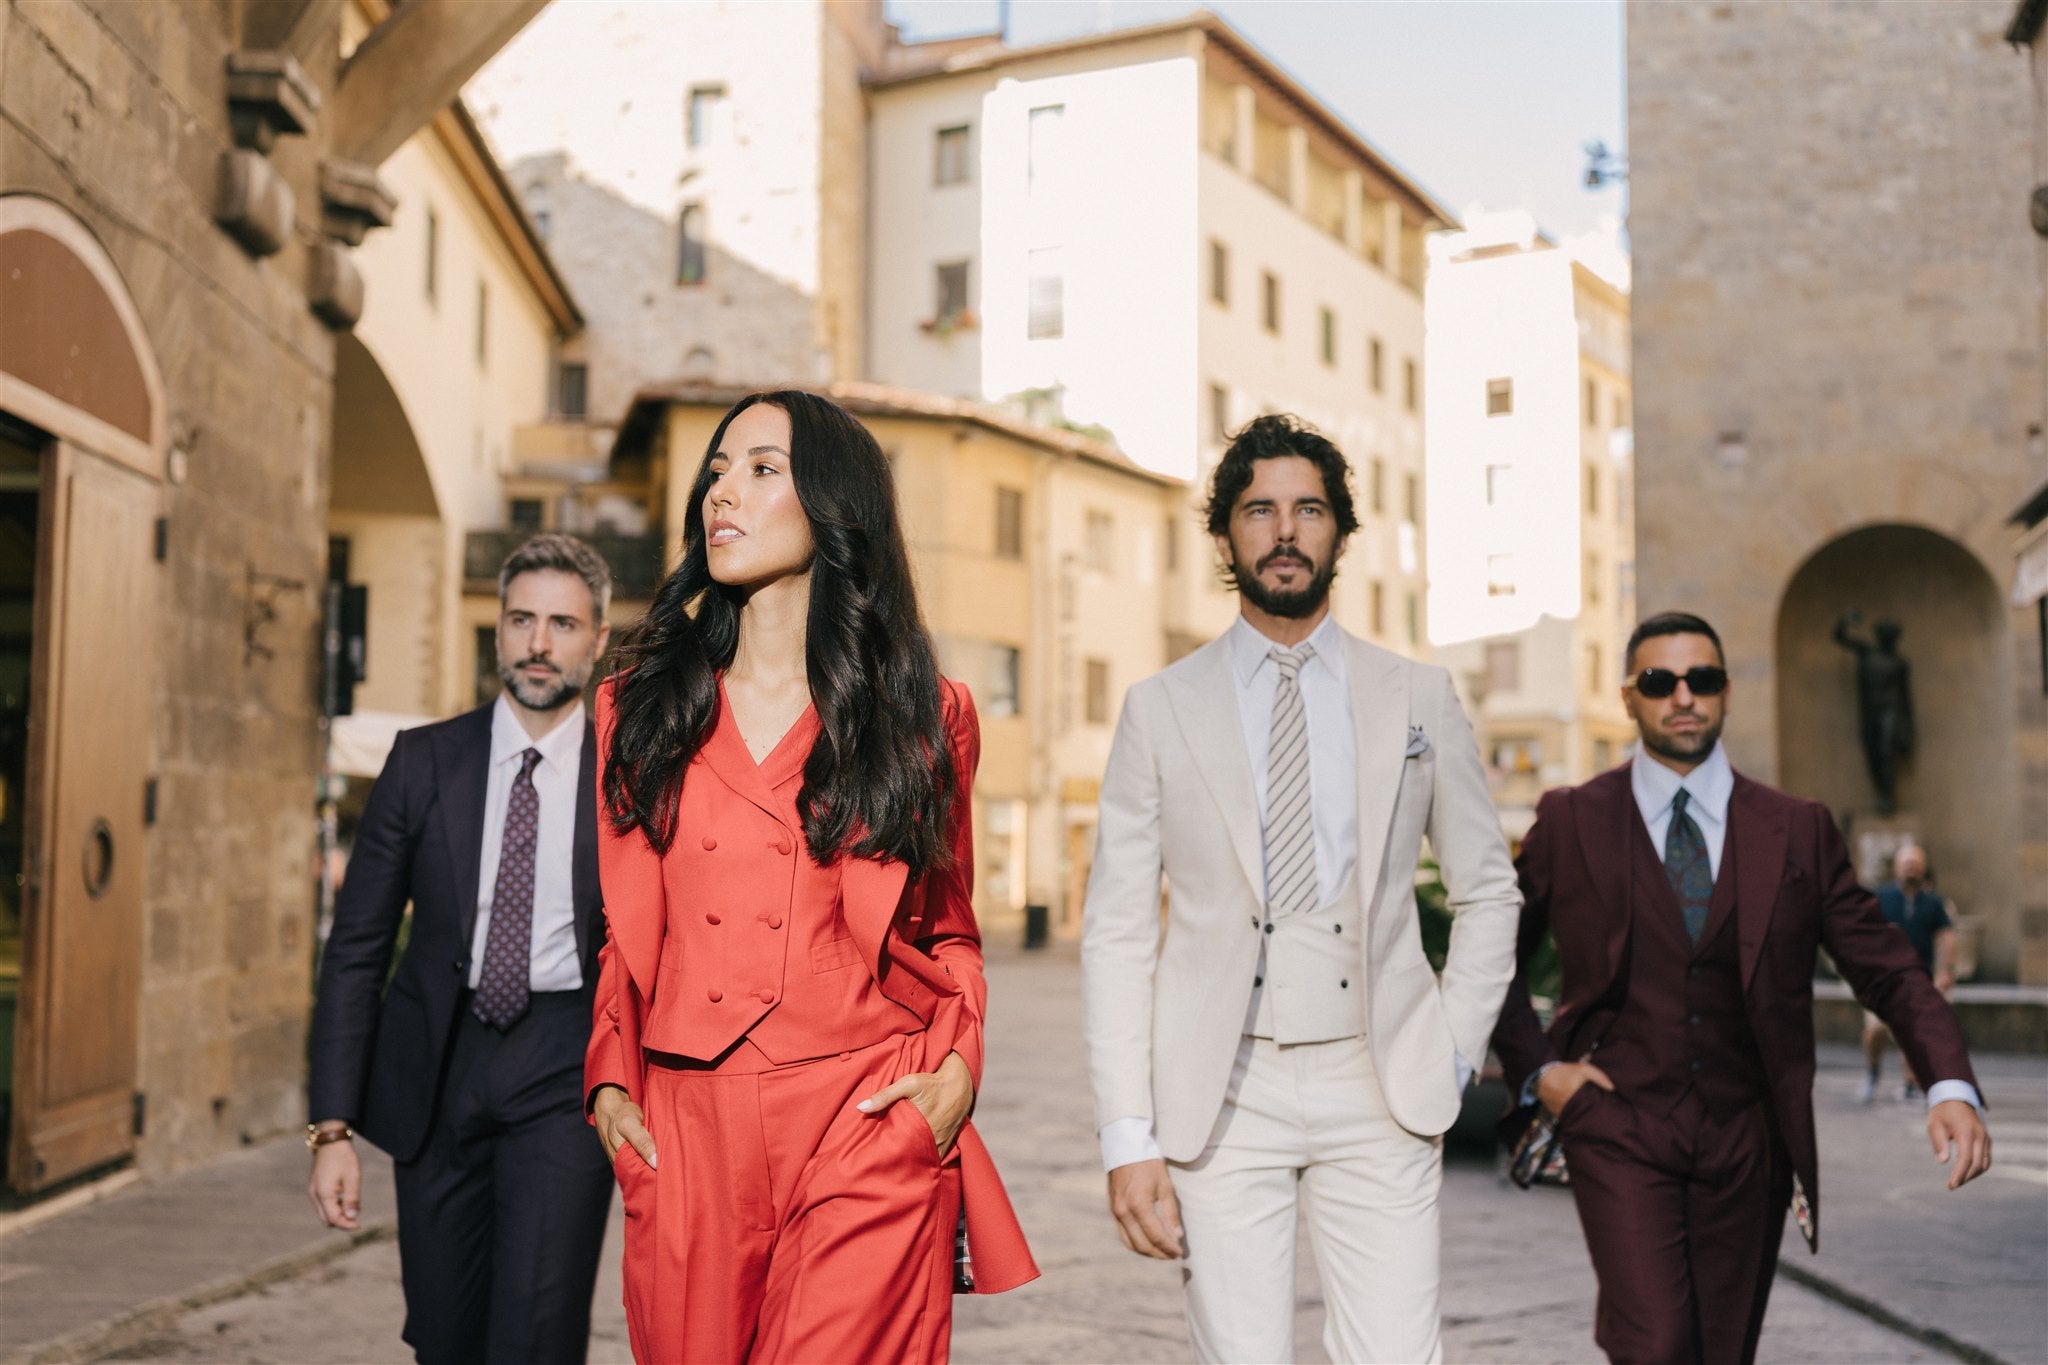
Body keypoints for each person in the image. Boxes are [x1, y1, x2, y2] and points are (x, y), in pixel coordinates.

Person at [587, 390, 1036, 1364]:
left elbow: (948, 928)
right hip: (687, 1128)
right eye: (715, 471)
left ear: (834, 506)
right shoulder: (637, 708)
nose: (722, 495)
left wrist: (957, 1067)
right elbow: (627, 934)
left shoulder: (925, 717)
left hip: (862, 1117)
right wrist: (610, 1088)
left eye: (759, 469)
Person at [1081, 414, 1520, 1364]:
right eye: (1260, 510)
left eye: (1309, 508)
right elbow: (1116, 932)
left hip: (1383, 1076)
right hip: (1221, 1088)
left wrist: (1449, 1055)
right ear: (1226, 535)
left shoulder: (1419, 696)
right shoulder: (1158, 709)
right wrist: (1127, 1134)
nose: (1285, 530)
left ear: (1341, 532)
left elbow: (1490, 891)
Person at [1492, 611, 1992, 1365]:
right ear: (1629, 697)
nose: (1683, 696)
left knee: (1721, 1355)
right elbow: (1491, 958)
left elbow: (1886, 966)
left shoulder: (1797, 827)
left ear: (1727, 693)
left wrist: (1948, 1080)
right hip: (1617, 1121)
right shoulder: (1573, 818)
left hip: (1748, 1139)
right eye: (1660, 681)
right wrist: (1541, 1071)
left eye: (1704, 679)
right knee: (1656, 1343)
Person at [307, 534, 617, 1364]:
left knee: (537, 1332)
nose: (539, 643)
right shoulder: (423, 762)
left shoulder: (627, 777)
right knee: (444, 1334)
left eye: (562, 622)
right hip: (438, 1070)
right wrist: (330, 1127)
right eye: (522, 619)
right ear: (498, 631)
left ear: (598, 639)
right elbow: (357, 947)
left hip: (565, 1070)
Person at [1859, 843, 1958, 1103]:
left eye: (1915, 865)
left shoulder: (1934, 902)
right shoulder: (1880, 898)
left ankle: (1911, 1083)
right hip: (1883, 980)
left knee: (1914, 1032)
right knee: (1875, 1032)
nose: (1911, 869)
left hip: (1918, 979)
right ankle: (1872, 1072)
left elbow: (1947, 937)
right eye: (1906, 865)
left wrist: (1946, 971)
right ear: (1897, 868)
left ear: (1923, 868)